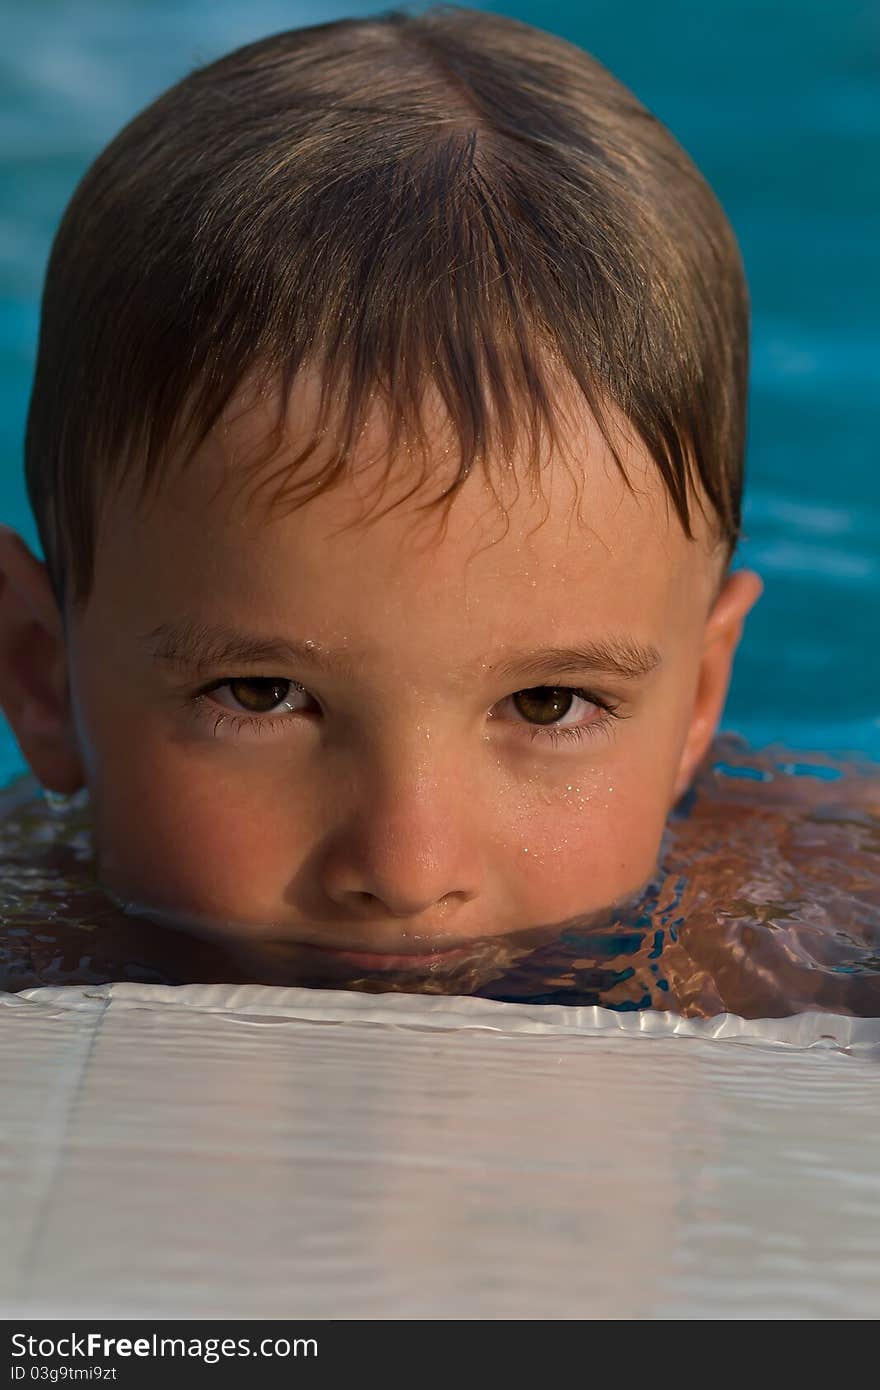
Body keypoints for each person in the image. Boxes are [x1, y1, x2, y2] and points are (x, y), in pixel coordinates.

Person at [0, 5, 769, 995]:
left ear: (698, 699)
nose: (406, 872)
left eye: (547, 703)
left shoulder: (785, 923)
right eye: (260, 693)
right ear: (42, 680)